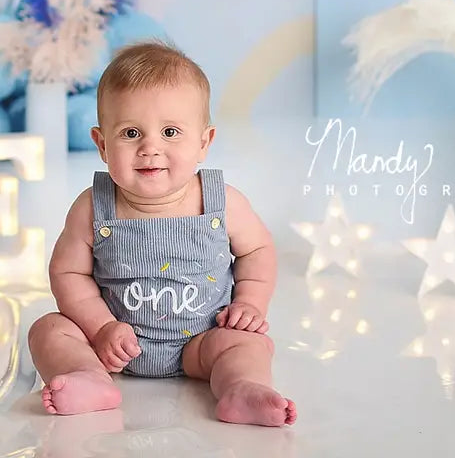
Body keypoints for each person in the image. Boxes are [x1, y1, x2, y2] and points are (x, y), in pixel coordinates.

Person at [26, 40, 297, 427]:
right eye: (130, 133)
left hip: (203, 341)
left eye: (170, 132)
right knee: (48, 330)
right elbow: (68, 272)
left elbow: (258, 251)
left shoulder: (222, 201)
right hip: (113, 344)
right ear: (102, 145)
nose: (150, 147)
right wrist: (100, 328)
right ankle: (89, 377)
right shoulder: (92, 206)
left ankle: (241, 387)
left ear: (203, 142)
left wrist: (249, 305)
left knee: (248, 344)